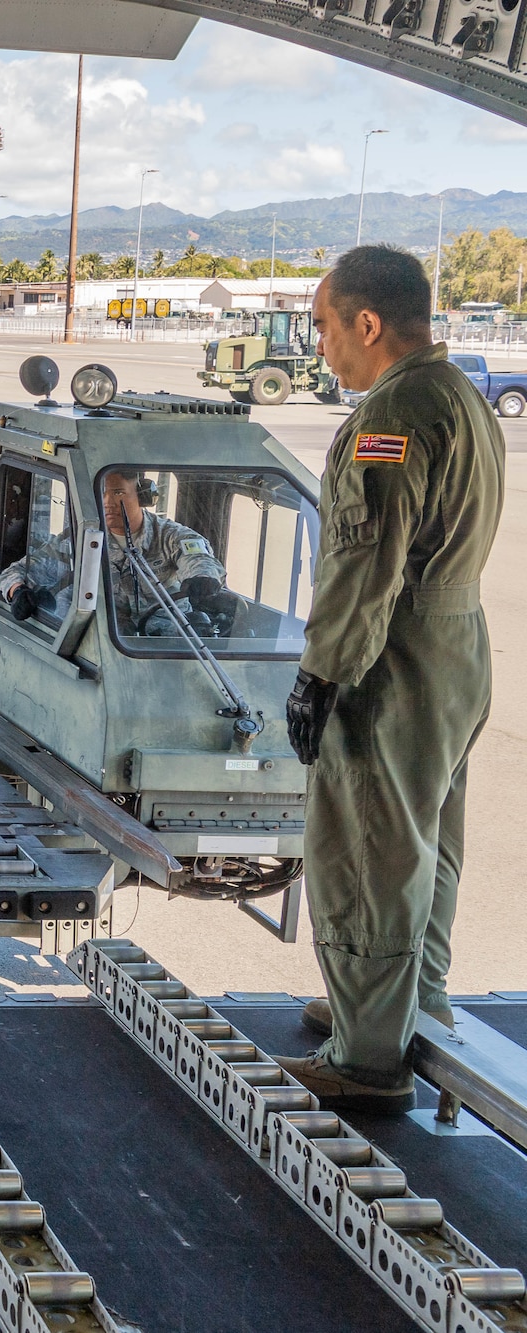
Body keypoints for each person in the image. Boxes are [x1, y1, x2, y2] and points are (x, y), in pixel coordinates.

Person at [280, 245, 505, 1112]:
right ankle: (404, 1005)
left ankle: (366, 1056)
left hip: (392, 652)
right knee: (426, 837)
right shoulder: (460, 396)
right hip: (456, 647)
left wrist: (322, 673)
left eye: (326, 326)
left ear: (366, 324)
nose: (322, 346)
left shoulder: (395, 411)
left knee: (369, 844)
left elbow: (365, 558)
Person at [0, 466, 234, 634]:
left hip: (165, 645)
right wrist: (17, 591)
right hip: (105, 647)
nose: (108, 502)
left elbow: (198, 557)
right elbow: (14, 572)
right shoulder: (79, 540)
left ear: (142, 496)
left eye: (118, 492)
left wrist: (202, 578)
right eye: (102, 494)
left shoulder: (169, 536)